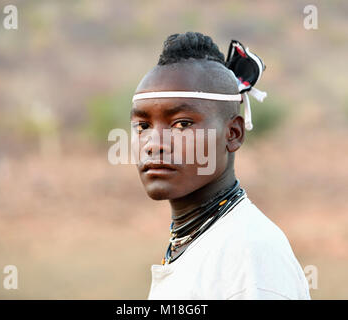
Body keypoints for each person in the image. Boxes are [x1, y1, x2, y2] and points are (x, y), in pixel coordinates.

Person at [130, 32, 310, 300]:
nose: (154, 144)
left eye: (182, 124)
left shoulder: (250, 256)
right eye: (143, 126)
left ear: (233, 134)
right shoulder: (200, 241)